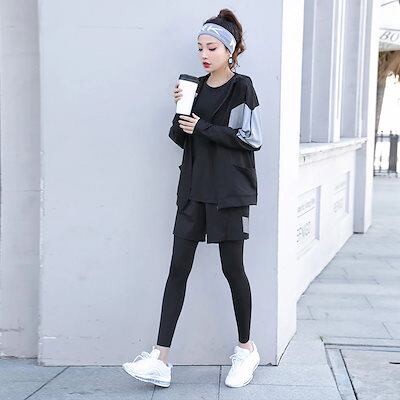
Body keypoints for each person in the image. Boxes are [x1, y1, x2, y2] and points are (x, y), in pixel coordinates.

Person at [122, 8, 262, 389]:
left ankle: (246, 349)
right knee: (177, 269)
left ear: (230, 50)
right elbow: (180, 137)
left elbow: (250, 138)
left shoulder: (242, 87)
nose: (204, 54)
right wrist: (181, 110)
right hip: (193, 190)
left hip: (229, 193)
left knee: (232, 269)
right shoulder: (193, 86)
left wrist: (204, 127)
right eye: (200, 47)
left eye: (211, 48)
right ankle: (160, 358)